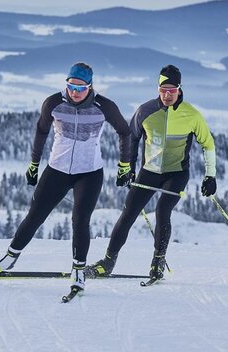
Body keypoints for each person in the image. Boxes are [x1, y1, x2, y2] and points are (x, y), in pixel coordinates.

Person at [0, 62, 132, 297]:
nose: (75, 92)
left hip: (89, 172)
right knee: (35, 216)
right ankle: (9, 259)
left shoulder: (105, 107)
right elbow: (41, 131)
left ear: (91, 87)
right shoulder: (53, 103)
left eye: (81, 88)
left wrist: (124, 165)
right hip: (57, 169)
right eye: (71, 86)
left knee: (80, 220)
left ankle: (79, 271)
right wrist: (34, 164)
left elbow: (125, 131)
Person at [88, 64, 216, 282]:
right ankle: (107, 263)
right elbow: (132, 138)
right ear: (158, 89)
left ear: (179, 89)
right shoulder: (145, 111)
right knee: (128, 214)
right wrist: (128, 168)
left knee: (162, 211)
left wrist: (210, 176)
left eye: (172, 90)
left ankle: (158, 262)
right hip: (150, 171)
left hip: (176, 173)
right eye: (163, 90)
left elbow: (208, 144)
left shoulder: (191, 115)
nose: (167, 95)